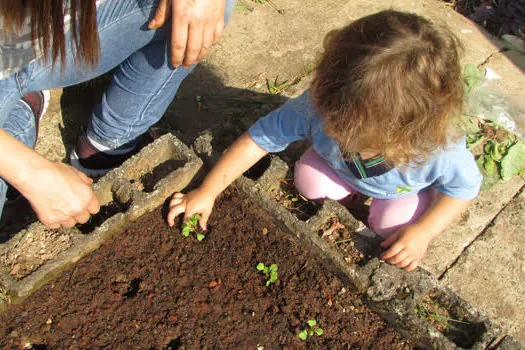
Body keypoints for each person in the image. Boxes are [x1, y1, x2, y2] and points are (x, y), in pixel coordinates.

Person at [167, 10, 483, 272]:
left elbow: (462, 190)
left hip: (400, 193)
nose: (330, 129)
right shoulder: (319, 104)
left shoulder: (438, 150)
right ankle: (350, 199)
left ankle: (384, 212)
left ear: (404, 136)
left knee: (391, 225)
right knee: (308, 180)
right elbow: (258, 140)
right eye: (332, 123)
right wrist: (208, 190)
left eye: (349, 134)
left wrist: (423, 233)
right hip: (341, 171)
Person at [0, 0, 236, 229]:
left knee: (206, 10)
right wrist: (28, 172)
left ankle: (104, 147)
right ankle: (20, 111)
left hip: (48, 34)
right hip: (8, 54)